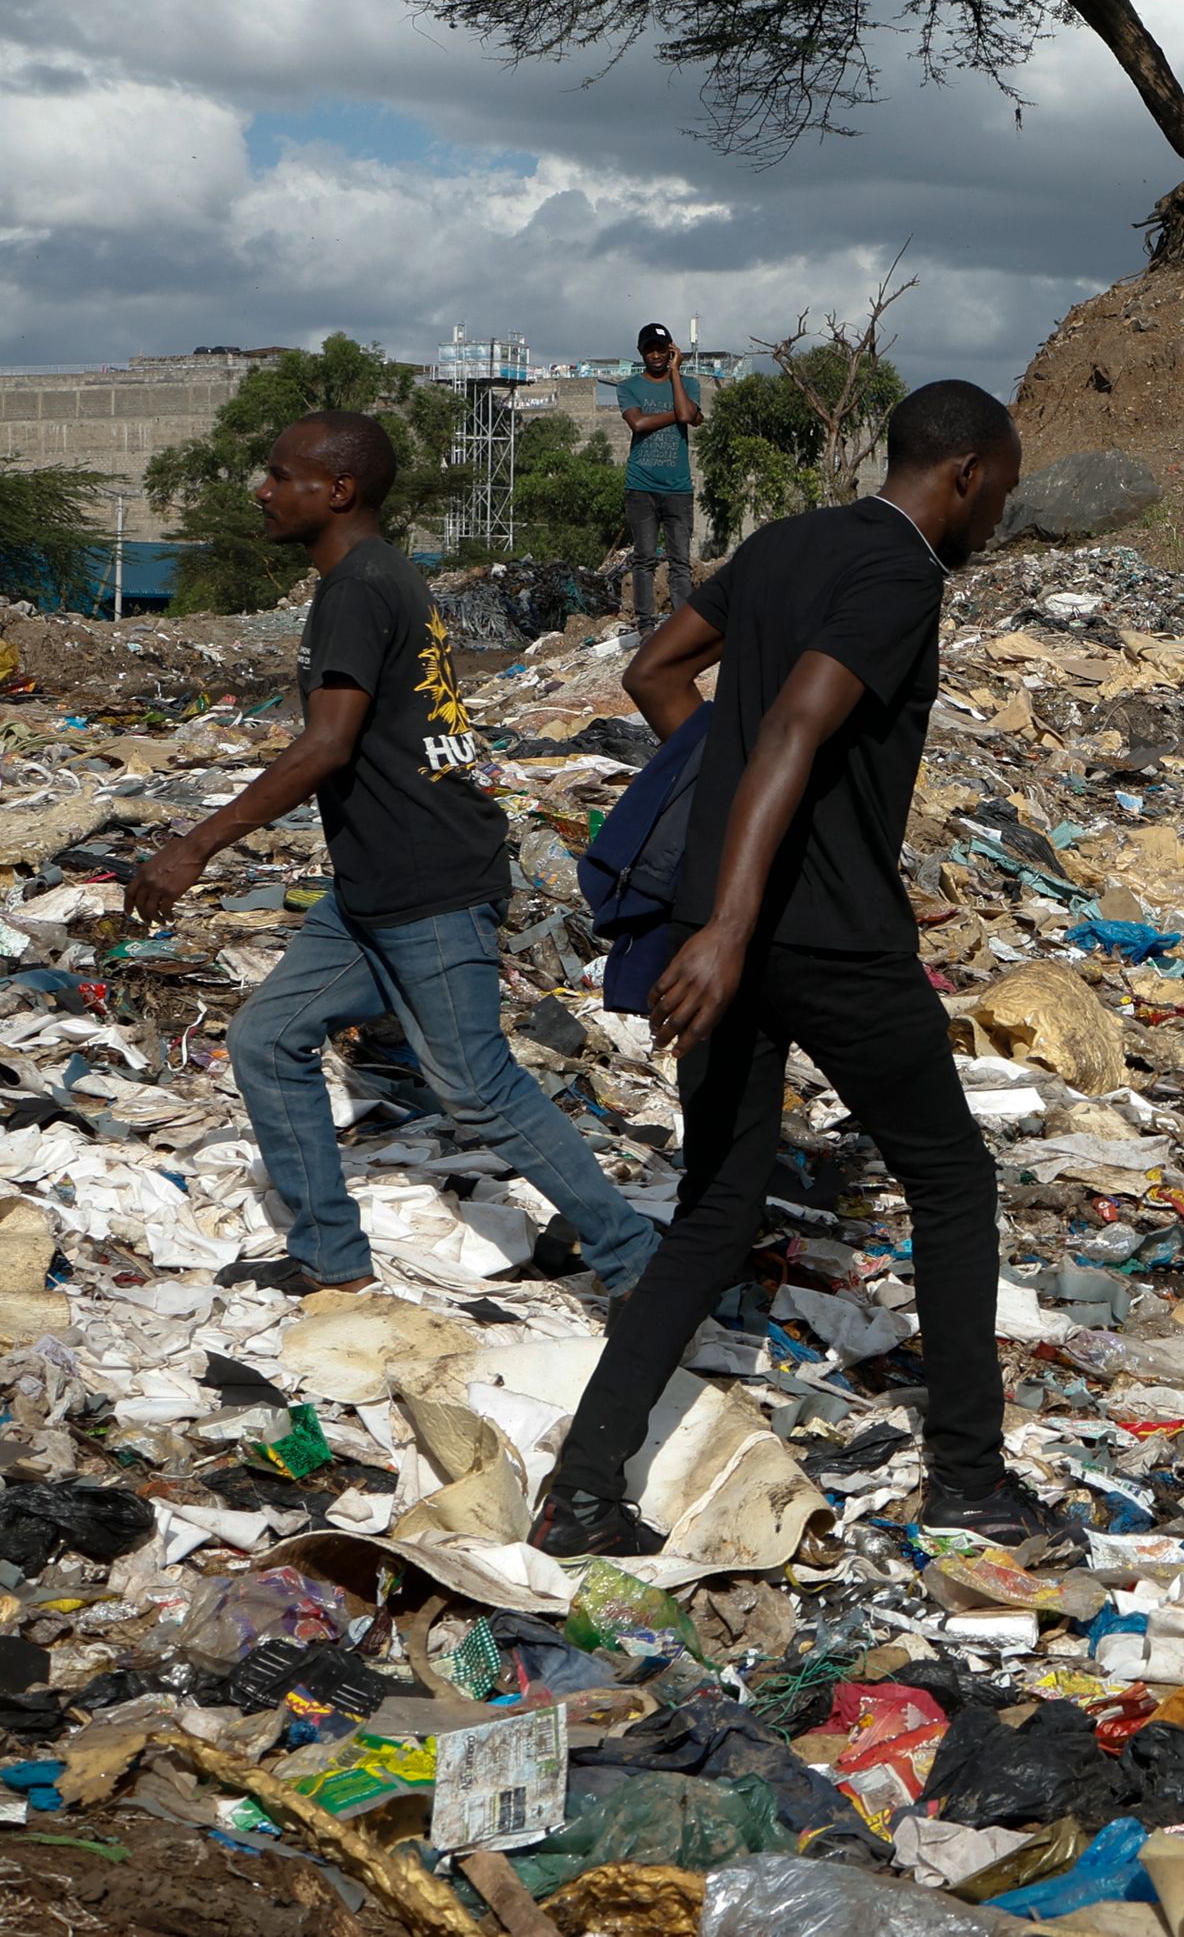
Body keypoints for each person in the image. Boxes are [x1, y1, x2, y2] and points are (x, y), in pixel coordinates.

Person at [531, 382, 1039, 1559]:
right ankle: (968, 1477)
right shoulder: (901, 572)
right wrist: (732, 925)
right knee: (953, 1185)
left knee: (714, 1209)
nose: (996, 515)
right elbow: (795, 730)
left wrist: (717, 868)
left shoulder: (782, 543)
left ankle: (585, 1490)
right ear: (963, 473)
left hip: (729, 923)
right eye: (999, 491)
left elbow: (657, 673)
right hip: (824, 936)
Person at [128, 412, 663, 1302]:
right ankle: (331, 1259)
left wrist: (191, 846)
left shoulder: (358, 587)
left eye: (279, 473)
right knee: (267, 1037)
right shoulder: (375, 578)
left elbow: (324, 744)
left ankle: (640, 1266)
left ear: (337, 491)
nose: (262, 489)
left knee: (476, 1086)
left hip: (427, 884)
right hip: (372, 887)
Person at [616, 323, 700, 636]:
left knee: (680, 560)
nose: (655, 355)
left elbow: (691, 415)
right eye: (649, 349)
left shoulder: (688, 383)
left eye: (661, 349)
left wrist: (676, 374)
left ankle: (681, 628)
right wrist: (681, 415)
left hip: (678, 488)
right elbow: (637, 423)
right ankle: (647, 627)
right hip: (641, 486)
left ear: (671, 351)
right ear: (641, 352)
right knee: (644, 558)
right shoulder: (628, 387)